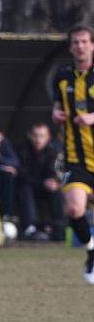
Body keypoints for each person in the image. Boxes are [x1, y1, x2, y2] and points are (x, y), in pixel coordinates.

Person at [52, 23, 94, 283]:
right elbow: (56, 106)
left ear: (92, 45)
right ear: (70, 47)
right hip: (75, 158)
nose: (80, 46)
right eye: (75, 42)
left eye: (84, 41)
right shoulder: (62, 76)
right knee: (74, 207)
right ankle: (91, 251)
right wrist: (55, 114)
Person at [16, 122, 65, 241]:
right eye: (35, 135)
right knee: (25, 189)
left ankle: (58, 228)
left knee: (56, 191)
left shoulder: (55, 151)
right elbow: (22, 175)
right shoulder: (22, 150)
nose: (38, 139)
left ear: (48, 137)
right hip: (29, 186)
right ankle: (30, 228)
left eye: (42, 136)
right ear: (30, 136)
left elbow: (58, 172)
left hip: (46, 187)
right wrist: (42, 183)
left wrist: (56, 182)